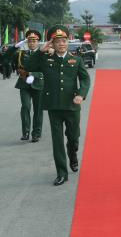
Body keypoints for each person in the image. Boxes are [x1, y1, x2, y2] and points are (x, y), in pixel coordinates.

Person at [24, 25, 90, 186]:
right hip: (54, 106)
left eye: (64, 41)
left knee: (73, 138)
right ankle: (61, 172)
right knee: (57, 141)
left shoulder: (76, 60)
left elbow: (85, 79)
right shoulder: (46, 60)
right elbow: (28, 66)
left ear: (68, 42)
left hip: (72, 106)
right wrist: (41, 50)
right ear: (52, 43)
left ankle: (73, 155)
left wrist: (81, 94)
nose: (61, 44)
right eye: (58, 41)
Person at [10, 30, 45, 142]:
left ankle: (36, 133)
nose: (31, 43)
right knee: (25, 107)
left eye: (34, 41)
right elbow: (7, 57)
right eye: (29, 41)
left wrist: (32, 74)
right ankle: (25, 132)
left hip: (38, 84)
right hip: (24, 84)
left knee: (38, 110)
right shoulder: (21, 53)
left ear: (38, 42)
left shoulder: (44, 54)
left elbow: (46, 71)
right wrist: (17, 45)